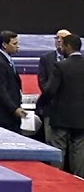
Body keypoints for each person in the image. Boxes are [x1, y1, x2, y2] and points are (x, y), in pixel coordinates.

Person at [43, 32, 84, 176]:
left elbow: (50, 90)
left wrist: (40, 105)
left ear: (68, 46)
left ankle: (57, 178)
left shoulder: (61, 66)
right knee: (79, 151)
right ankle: (79, 180)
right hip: (81, 118)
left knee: (58, 149)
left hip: (61, 116)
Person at [38, 30, 69, 164]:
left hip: (69, 107)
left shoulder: (75, 60)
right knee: (51, 141)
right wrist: (50, 94)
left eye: (62, 38)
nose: (59, 40)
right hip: (50, 106)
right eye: (57, 38)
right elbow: (42, 80)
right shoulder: (46, 58)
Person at [0, 30, 25, 132]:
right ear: (4, 45)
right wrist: (14, 109)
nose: (18, 46)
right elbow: (1, 90)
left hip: (9, 116)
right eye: (14, 44)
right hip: (3, 117)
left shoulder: (7, 60)